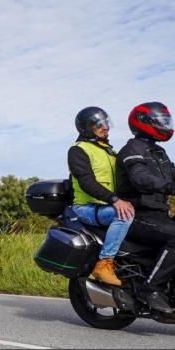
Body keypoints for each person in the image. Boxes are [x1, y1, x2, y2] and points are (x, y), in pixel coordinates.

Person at [116, 102, 175, 314]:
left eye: (166, 121)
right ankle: (150, 289)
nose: (166, 125)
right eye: (161, 122)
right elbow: (140, 178)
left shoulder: (158, 152)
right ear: (143, 122)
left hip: (158, 215)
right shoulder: (132, 149)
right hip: (138, 214)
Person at [67, 107, 135, 287]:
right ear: (87, 128)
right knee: (124, 214)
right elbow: (86, 182)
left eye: (106, 123)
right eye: (99, 124)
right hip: (85, 207)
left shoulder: (109, 151)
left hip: (104, 206)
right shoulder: (78, 150)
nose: (105, 127)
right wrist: (115, 200)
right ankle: (104, 263)